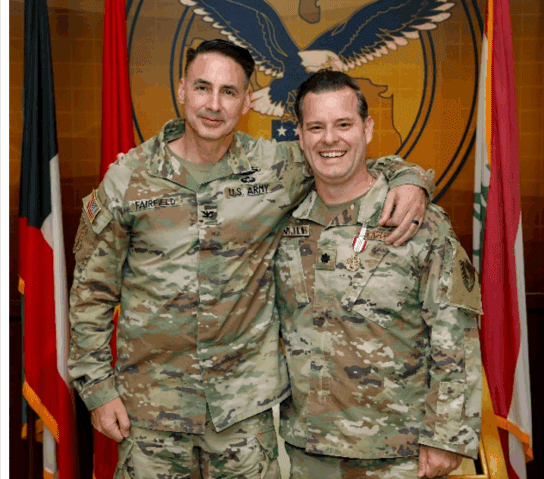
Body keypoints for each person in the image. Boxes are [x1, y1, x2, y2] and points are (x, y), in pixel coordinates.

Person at [67, 39, 434, 478]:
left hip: (244, 416)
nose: (214, 105)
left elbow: (341, 155)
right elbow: (91, 290)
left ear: (246, 102)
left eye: (229, 92)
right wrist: (96, 388)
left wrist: (411, 180)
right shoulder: (129, 177)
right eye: (203, 88)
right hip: (149, 412)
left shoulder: (276, 167)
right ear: (182, 89)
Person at [273, 70, 482, 478]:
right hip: (307, 451)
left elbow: (455, 336)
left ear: (367, 128)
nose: (329, 139)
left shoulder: (416, 222)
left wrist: (445, 438)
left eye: (344, 124)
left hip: (398, 456)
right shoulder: (282, 222)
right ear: (299, 135)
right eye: (316, 127)